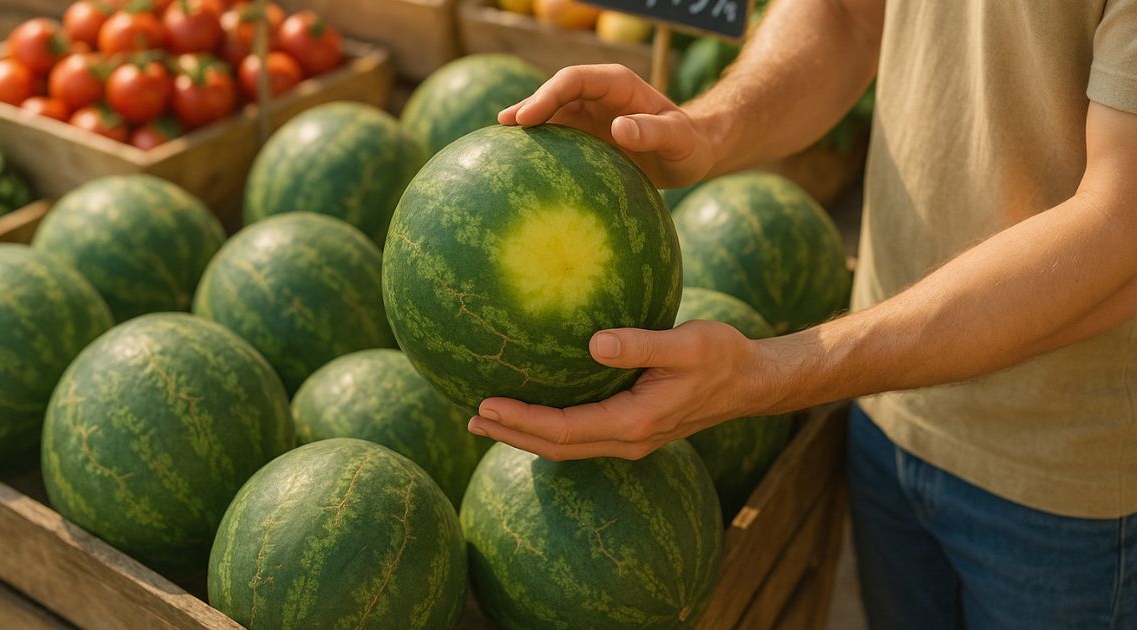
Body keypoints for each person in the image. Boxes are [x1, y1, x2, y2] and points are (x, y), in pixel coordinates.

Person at [463, 0, 1137, 627]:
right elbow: (849, 18)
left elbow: (1119, 228)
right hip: (885, 411)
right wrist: (705, 129)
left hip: (1066, 486)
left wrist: (777, 371)